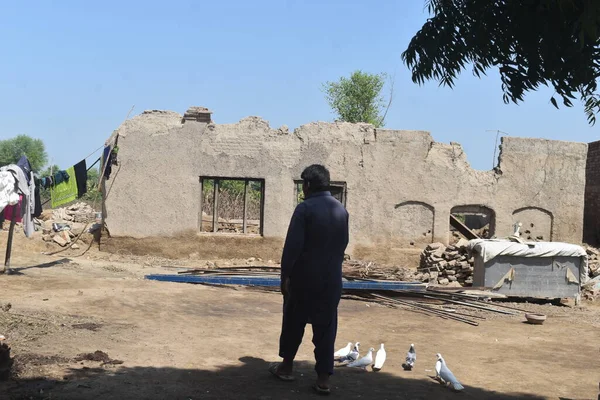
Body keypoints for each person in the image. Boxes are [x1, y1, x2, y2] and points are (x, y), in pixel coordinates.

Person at [269, 164, 349, 395]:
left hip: (304, 279)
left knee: (294, 321)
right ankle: (323, 380)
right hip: (331, 279)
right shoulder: (341, 210)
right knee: (326, 328)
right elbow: (342, 244)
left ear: (307, 185)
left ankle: (286, 367)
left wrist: (286, 276)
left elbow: (292, 248)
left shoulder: (304, 209)